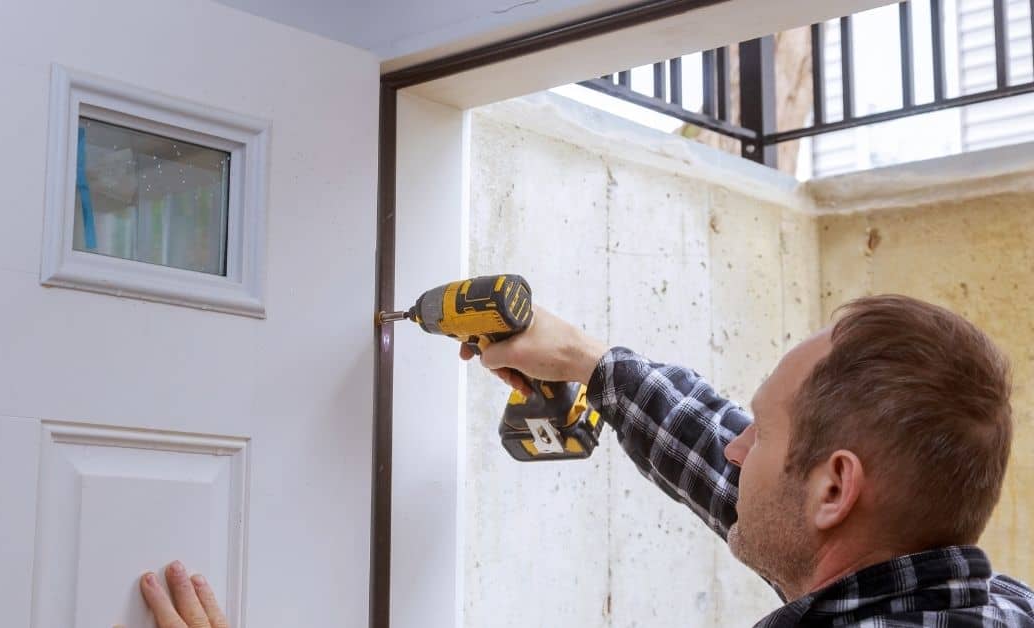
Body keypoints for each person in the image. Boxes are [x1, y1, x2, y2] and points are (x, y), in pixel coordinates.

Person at [140, 294, 1034, 627]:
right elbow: (753, 491)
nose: (735, 446)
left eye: (757, 428)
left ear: (838, 486)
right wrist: (590, 365)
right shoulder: (987, 602)